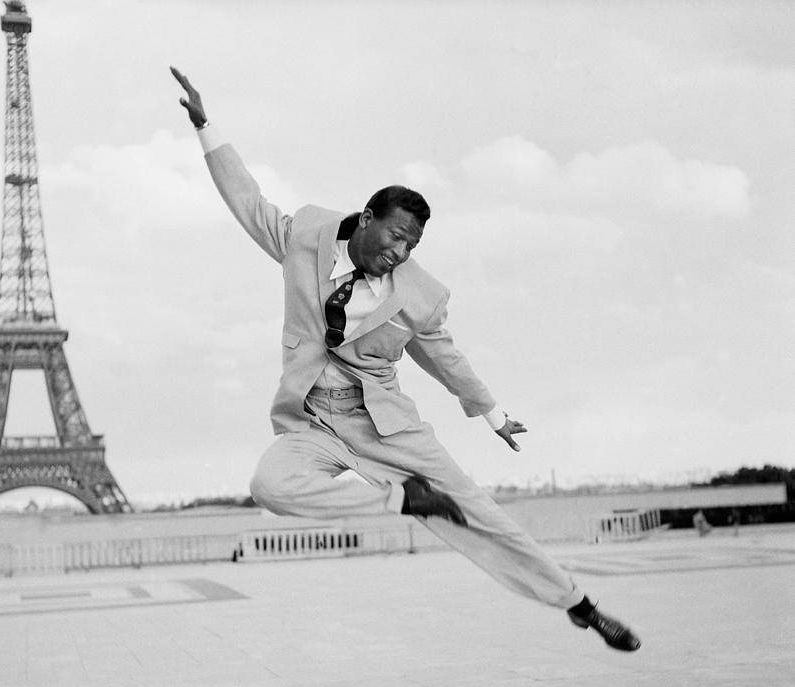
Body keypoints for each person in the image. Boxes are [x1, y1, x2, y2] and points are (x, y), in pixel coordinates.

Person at [171, 67, 640, 652]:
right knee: (269, 486)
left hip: (385, 425)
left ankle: (578, 603)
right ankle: (400, 499)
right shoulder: (304, 237)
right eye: (394, 237)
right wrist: (206, 127)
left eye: (411, 246)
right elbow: (248, 200)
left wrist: (491, 413)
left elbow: (444, 356)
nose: (398, 253)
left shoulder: (420, 294)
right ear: (366, 219)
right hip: (312, 421)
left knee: (476, 510)